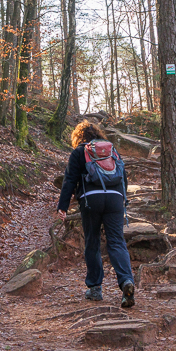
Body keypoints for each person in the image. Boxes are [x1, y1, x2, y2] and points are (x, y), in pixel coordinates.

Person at [56, 121, 136, 308]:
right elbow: (122, 174)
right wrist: (123, 200)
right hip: (115, 199)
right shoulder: (111, 150)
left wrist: (63, 206)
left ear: (78, 137)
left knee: (92, 242)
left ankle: (95, 288)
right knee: (116, 241)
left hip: (91, 200)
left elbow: (69, 180)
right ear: (98, 135)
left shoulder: (80, 152)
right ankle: (126, 281)